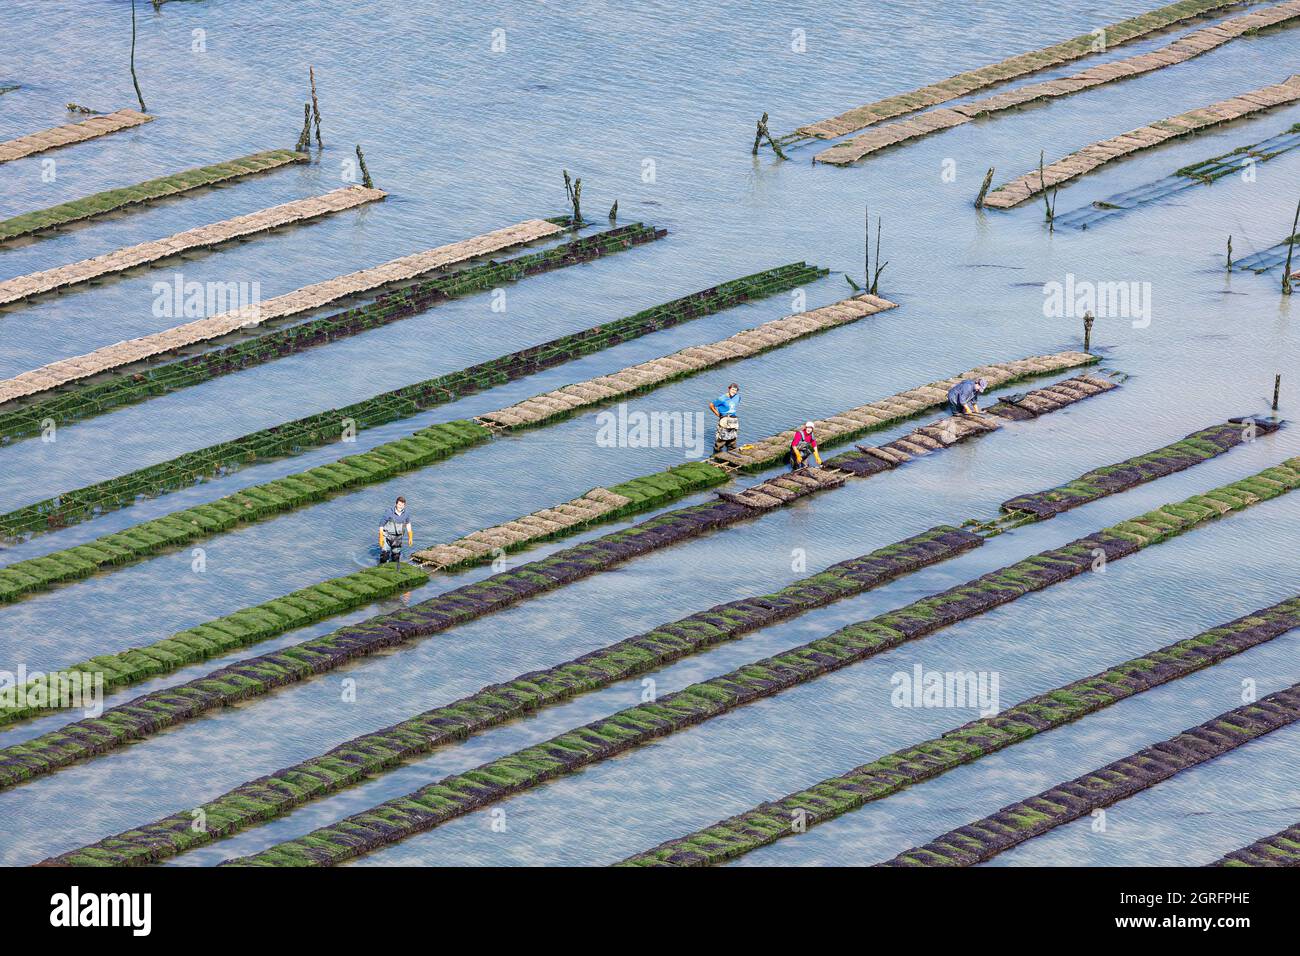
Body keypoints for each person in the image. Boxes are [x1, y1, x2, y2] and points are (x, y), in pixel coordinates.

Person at [378, 496, 413, 564]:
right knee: (384, 556)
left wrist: (410, 537)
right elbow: (381, 525)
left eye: (402, 505)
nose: (401, 506)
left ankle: (394, 570)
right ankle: (382, 568)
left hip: (398, 538)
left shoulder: (406, 514)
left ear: (404, 505)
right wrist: (381, 537)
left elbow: (408, 524)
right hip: (387, 536)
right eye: (399, 504)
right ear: (396, 504)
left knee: (396, 557)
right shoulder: (389, 512)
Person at [709, 382, 740, 454]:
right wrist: (717, 414)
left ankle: (731, 452)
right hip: (724, 419)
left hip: (733, 419)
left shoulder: (737, 397)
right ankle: (717, 453)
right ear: (729, 389)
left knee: (733, 437)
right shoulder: (722, 398)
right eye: (732, 389)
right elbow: (711, 405)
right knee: (722, 437)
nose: (734, 391)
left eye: (735, 390)